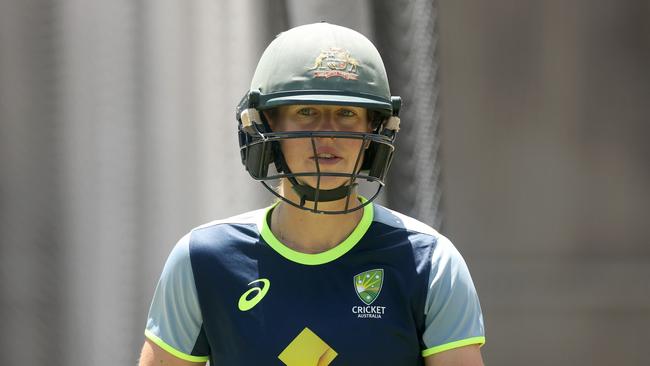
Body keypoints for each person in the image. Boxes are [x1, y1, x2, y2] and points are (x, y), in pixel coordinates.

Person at [139, 22, 485, 366]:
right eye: (306, 112)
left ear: (372, 131)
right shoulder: (203, 260)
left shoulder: (429, 263)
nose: (327, 133)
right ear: (267, 125)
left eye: (347, 113)